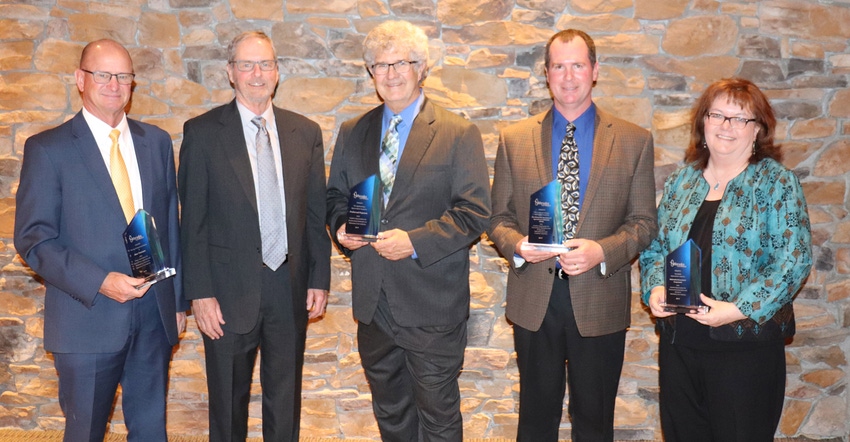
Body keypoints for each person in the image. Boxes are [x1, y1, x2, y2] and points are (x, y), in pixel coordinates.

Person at [488, 29, 657, 441]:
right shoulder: (514, 139)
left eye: (577, 65)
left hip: (599, 297)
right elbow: (497, 218)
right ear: (547, 74)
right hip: (534, 300)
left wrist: (602, 250)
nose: (568, 76)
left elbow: (644, 223)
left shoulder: (634, 141)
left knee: (595, 423)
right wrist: (519, 246)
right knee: (534, 423)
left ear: (595, 71)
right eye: (558, 66)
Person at [326, 20, 490, 441]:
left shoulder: (458, 133)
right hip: (374, 304)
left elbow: (474, 213)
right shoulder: (353, 132)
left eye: (402, 62)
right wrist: (341, 228)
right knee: (392, 416)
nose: (392, 73)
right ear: (371, 74)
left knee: (437, 420)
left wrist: (414, 242)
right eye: (380, 65)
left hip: (431, 306)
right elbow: (335, 198)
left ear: (422, 68)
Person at [14, 39, 185, 442]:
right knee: (85, 433)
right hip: (86, 319)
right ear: (80, 79)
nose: (114, 84)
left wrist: (176, 302)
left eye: (123, 75)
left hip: (153, 319)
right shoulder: (48, 149)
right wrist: (100, 281)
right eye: (103, 74)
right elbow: (34, 239)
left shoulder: (156, 142)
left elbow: (170, 226)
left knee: (150, 433)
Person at [639, 77, 812, 442]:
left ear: (758, 130)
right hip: (679, 346)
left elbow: (792, 261)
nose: (726, 126)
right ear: (703, 123)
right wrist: (655, 288)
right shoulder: (681, 183)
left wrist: (734, 310)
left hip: (744, 348)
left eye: (740, 118)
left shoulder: (776, 184)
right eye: (717, 115)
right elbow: (656, 248)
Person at [178, 30, 330, 441]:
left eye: (265, 64)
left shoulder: (306, 132)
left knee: (286, 404)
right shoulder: (203, 133)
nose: (256, 73)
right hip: (226, 294)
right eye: (246, 64)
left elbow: (315, 215)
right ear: (231, 73)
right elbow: (191, 221)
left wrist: (319, 278)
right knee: (228, 408)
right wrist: (200, 293)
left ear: (278, 72)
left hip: (290, 287)